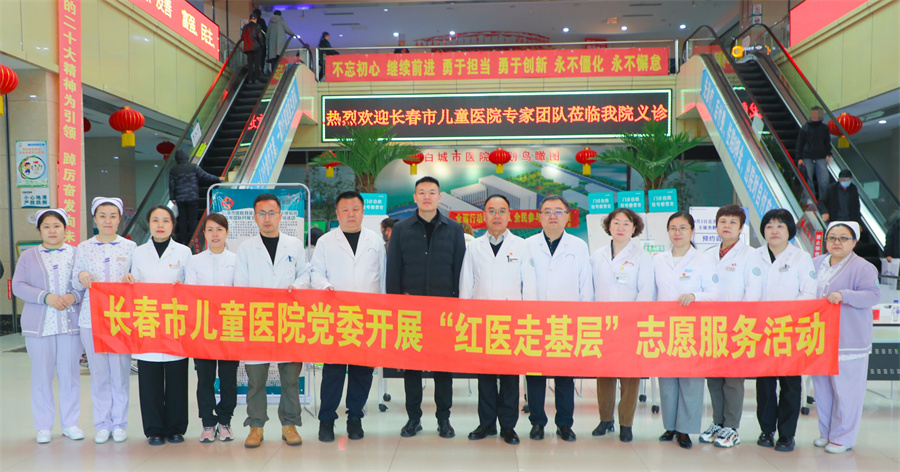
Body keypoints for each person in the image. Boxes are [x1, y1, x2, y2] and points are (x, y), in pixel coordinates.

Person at [386, 176, 466, 439]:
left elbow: (460, 270)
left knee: (443, 368)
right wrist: (395, 305)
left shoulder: (454, 229)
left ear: (440, 197)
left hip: (444, 312)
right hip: (411, 310)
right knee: (412, 367)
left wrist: (458, 307)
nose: (427, 196)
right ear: (415, 197)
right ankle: (413, 419)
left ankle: (444, 419)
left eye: (432, 192)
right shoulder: (401, 229)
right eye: (422, 192)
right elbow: (394, 269)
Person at [234, 193, 309, 448]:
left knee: (290, 376)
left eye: (272, 213)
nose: (267, 218)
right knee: (256, 378)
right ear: (255, 217)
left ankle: (289, 424)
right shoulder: (246, 248)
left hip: (289, 318)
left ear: (280, 216)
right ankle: (256, 426)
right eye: (262, 213)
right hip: (257, 319)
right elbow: (240, 284)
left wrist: (295, 287)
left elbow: (305, 274)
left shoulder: (294, 245)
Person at [461, 194, 537, 446]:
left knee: (509, 376)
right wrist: (465, 316)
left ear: (509, 216)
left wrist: (528, 318)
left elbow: (529, 285)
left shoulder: (521, 246)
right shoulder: (474, 247)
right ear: (483, 215)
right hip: (481, 321)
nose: (496, 216)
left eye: (501, 211)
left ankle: (508, 426)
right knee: (484, 374)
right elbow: (466, 283)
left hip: (512, 321)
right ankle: (486, 422)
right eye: (491, 211)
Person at [310, 191, 386, 442]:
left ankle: (355, 417)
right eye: (345, 209)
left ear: (363, 212)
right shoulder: (326, 242)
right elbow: (315, 273)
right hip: (336, 315)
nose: (351, 214)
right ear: (337, 213)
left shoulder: (375, 241)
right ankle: (326, 420)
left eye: (355, 209)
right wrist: (326, 287)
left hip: (368, 316)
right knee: (333, 370)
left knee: (362, 371)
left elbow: (383, 276)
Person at [525, 195, 592, 442]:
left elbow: (586, 285)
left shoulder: (578, 246)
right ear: (539, 216)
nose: (553, 216)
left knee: (565, 376)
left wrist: (583, 318)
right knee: (535, 376)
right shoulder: (528, 245)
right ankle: (537, 422)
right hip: (534, 320)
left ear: (567, 216)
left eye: (558, 211)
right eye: (547, 211)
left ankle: (564, 424)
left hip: (567, 320)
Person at [13, 209, 84, 444]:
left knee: (70, 375)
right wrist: (46, 297)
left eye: (56, 226)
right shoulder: (28, 256)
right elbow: (18, 285)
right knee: (41, 376)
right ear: (39, 230)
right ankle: (43, 426)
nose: (52, 230)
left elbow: (86, 284)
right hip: (39, 326)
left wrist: (74, 296)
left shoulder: (77, 254)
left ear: (65, 229)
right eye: (46, 226)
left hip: (70, 324)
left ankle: (70, 424)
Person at [125, 205, 192, 446]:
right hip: (148, 322)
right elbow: (131, 283)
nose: (160, 225)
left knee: (176, 379)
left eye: (165, 220)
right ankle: (153, 429)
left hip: (175, 323)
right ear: (149, 224)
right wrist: (128, 280)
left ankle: (175, 428)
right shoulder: (138, 252)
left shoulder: (184, 252)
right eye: (155, 220)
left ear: (173, 225)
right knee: (149, 380)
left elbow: (192, 286)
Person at [811, 221, 880, 453]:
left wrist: (845, 295)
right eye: (832, 238)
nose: (837, 242)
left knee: (847, 391)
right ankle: (827, 433)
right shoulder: (816, 263)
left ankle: (844, 437)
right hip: (819, 339)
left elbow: (873, 295)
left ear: (854, 242)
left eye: (843, 238)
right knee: (823, 390)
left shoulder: (863, 267)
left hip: (848, 340)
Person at [73, 197, 136, 444]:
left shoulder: (130, 247)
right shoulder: (83, 248)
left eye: (112, 216)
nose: (107, 220)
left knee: (120, 373)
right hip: (92, 318)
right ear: (94, 219)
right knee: (98, 373)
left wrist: (132, 278)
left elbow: (139, 279)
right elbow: (75, 281)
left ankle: (119, 423)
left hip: (121, 319)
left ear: (120, 219)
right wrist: (81, 275)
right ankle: (102, 424)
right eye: (102, 215)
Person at [654, 211, 719, 450]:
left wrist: (694, 295)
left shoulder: (704, 260)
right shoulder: (658, 259)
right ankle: (670, 426)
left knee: (691, 380)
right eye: (673, 228)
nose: (677, 232)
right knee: (667, 379)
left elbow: (715, 293)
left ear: (692, 231)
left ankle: (685, 429)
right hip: (664, 327)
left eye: (682, 228)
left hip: (692, 328)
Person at [699, 205, 762, 448]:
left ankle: (732, 427)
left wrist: (741, 321)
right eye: (723, 221)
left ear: (741, 227)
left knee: (733, 380)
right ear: (716, 225)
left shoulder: (751, 255)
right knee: (714, 378)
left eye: (732, 222)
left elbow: (753, 291)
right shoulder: (708, 254)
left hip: (737, 325)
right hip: (711, 326)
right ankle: (718, 422)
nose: (727, 226)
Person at [754, 208, 817, 452]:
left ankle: (787, 435)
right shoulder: (755, 256)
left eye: (780, 226)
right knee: (765, 384)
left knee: (790, 384)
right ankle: (767, 430)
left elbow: (809, 293)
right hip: (761, 330)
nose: (774, 231)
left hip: (790, 330)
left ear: (789, 230)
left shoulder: (801, 258)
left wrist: (785, 316)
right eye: (769, 226)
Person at [589, 207, 653, 443]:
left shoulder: (643, 257)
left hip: (630, 325)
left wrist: (635, 320)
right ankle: (605, 419)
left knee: (629, 376)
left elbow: (646, 292)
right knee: (604, 374)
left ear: (634, 228)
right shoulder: (597, 255)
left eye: (626, 224)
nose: (621, 228)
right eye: (616, 223)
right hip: (602, 324)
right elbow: (589, 289)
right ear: (609, 226)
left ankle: (626, 423)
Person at [184, 213, 239, 443]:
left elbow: (242, 292)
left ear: (227, 233)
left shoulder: (237, 260)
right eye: (210, 230)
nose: (215, 234)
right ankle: (208, 422)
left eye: (219, 229)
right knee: (204, 379)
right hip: (203, 329)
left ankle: (225, 421)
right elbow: (190, 292)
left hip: (230, 327)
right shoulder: (195, 261)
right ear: (204, 234)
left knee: (228, 379)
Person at [168, 149, 222, 245]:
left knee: (182, 220)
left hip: (180, 199)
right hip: (192, 197)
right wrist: (218, 179)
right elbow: (205, 176)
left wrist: (172, 198)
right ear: (186, 157)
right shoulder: (193, 167)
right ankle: (194, 239)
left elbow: (171, 185)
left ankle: (183, 240)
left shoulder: (173, 170)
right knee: (193, 219)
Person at [796, 106, 832, 198]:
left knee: (824, 181)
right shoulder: (805, 128)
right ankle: (810, 200)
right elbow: (800, 143)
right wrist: (799, 157)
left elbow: (827, 142)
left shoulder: (824, 128)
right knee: (808, 181)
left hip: (821, 156)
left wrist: (828, 154)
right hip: (807, 157)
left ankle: (823, 200)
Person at [241, 14, 265, 84]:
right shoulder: (257, 26)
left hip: (248, 48)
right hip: (256, 48)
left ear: (250, 19)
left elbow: (242, 37)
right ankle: (256, 79)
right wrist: (262, 45)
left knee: (250, 64)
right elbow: (260, 37)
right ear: (256, 19)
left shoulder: (245, 27)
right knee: (257, 64)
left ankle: (250, 79)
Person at [253, 8, 267, 74]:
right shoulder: (261, 21)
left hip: (253, 43)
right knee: (262, 56)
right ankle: (261, 69)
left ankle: (255, 70)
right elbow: (265, 29)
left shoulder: (252, 22)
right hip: (261, 42)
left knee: (254, 57)